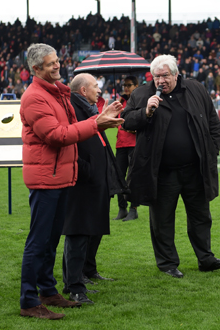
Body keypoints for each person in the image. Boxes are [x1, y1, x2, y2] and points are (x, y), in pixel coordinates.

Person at [19, 43, 124, 320]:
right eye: (51, 63)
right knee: (38, 242)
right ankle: (29, 301)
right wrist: (96, 123)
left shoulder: (56, 93)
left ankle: (48, 291)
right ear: (36, 68)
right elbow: (56, 135)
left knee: (51, 241)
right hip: (45, 179)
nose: (57, 65)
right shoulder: (34, 98)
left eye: (57, 61)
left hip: (61, 177)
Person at [122, 54, 220, 278]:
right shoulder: (142, 93)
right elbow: (126, 122)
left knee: (201, 216)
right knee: (162, 219)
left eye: (164, 76)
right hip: (161, 171)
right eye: (156, 76)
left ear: (176, 74)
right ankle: (167, 263)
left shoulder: (195, 89)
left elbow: (212, 120)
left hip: (195, 168)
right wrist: (146, 111)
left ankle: (206, 258)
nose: (160, 81)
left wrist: (212, 151)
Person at [61, 73, 128, 305]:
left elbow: (91, 136)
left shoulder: (87, 108)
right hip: (83, 181)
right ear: (83, 91)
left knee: (87, 231)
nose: (99, 90)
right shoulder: (72, 108)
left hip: (94, 179)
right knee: (78, 233)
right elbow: (71, 141)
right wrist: (87, 169)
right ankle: (74, 286)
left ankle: (82, 276)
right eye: (95, 87)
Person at [114, 75, 141, 221]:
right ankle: (122, 208)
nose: (125, 88)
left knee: (133, 177)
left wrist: (134, 129)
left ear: (136, 86)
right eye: (124, 85)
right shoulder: (121, 101)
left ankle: (133, 208)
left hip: (134, 144)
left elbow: (145, 120)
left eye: (129, 85)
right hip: (121, 144)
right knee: (119, 176)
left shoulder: (139, 100)